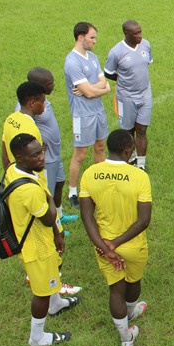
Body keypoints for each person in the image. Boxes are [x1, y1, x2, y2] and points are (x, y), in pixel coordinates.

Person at [5, 134, 80, 346]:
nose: (41, 158)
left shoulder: (13, 169)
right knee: (41, 293)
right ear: (21, 158)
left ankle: (55, 304)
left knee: (53, 274)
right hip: (37, 247)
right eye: (35, 155)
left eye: (41, 151)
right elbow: (48, 218)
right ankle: (37, 337)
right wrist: (49, 198)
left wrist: (57, 233)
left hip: (40, 239)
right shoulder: (29, 191)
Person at [79, 130, 151, 346]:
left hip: (103, 244)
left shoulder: (90, 173)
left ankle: (125, 338)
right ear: (128, 150)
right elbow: (144, 221)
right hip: (133, 245)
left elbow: (87, 217)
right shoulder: (139, 176)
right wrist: (117, 243)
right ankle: (130, 312)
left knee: (116, 290)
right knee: (134, 281)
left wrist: (106, 247)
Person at [64, 22, 111, 208]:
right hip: (82, 114)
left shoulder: (92, 57)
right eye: (92, 37)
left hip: (98, 110)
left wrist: (94, 88)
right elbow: (91, 92)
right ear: (80, 37)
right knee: (80, 154)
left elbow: (102, 84)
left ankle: (100, 182)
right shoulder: (72, 62)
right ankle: (72, 191)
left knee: (100, 146)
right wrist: (100, 89)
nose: (94, 41)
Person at [24, 68, 79, 228]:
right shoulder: (29, 105)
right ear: (38, 85)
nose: (53, 85)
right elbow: (25, 130)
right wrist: (37, 146)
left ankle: (59, 215)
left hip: (55, 155)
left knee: (60, 183)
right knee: (47, 193)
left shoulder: (42, 100)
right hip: (45, 159)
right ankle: (52, 227)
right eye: (49, 83)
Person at [105, 20, 153, 170]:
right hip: (126, 97)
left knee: (142, 130)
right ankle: (130, 159)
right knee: (128, 131)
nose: (140, 36)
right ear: (126, 34)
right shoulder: (116, 52)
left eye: (140, 32)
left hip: (145, 94)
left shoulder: (146, 45)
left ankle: (141, 164)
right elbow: (108, 73)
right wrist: (125, 79)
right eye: (136, 33)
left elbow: (146, 64)